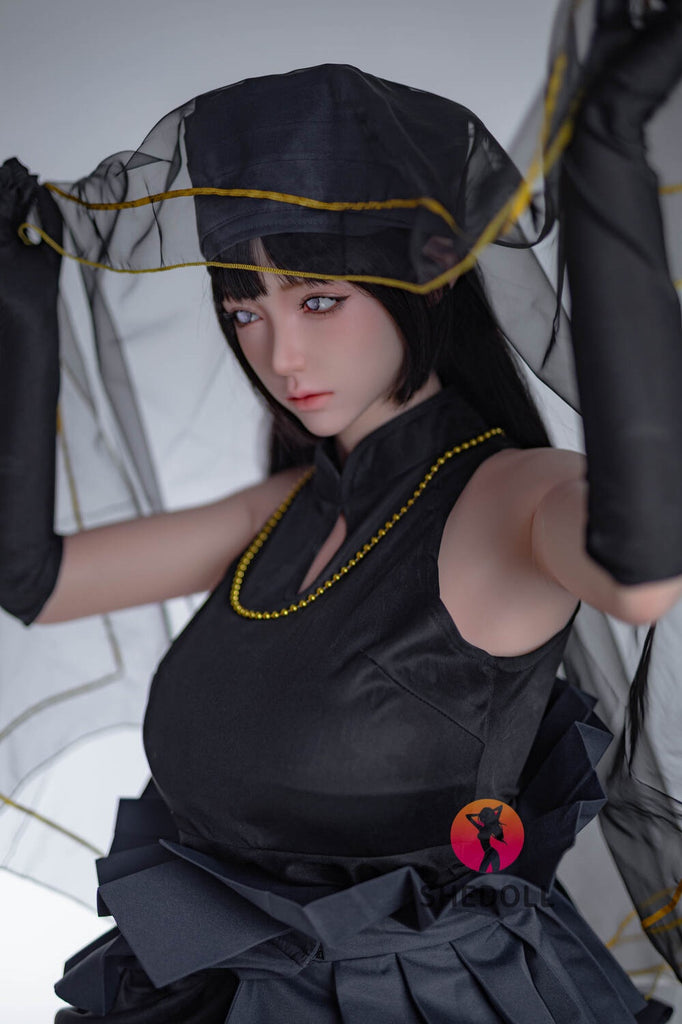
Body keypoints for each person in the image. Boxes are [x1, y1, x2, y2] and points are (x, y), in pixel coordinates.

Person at [1, 1, 681, 1021]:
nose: (280, 355)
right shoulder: (286, 509)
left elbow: (641, 572)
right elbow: (31, 579)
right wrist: (17, 293)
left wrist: (606, 164)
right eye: (245, 309)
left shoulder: (510, 501)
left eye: (319, 300)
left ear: (427, 280)